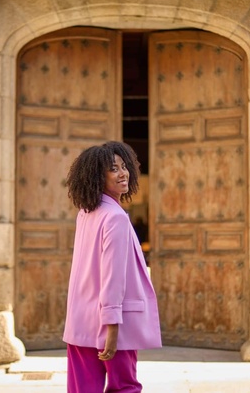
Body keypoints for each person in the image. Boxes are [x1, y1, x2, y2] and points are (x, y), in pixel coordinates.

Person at [63, 141, 162, 393]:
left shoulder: (86, 212)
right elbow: (112, 277)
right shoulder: (115, 217)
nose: (123, 173)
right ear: (98, 176)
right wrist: (112, 327)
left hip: (80, 323)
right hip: (111, 327)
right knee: (125, 388)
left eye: (123, 166)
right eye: (113, 169)